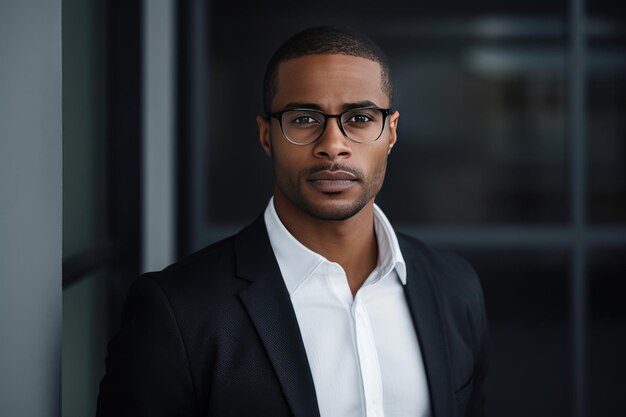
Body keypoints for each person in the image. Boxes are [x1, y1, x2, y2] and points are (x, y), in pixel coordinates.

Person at [96, 26, 488, 417]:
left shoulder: (454, 285)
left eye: (360, 118)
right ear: (267, 136)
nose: (333, 145)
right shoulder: (177, 310)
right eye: (303, 119)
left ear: (391, 133)